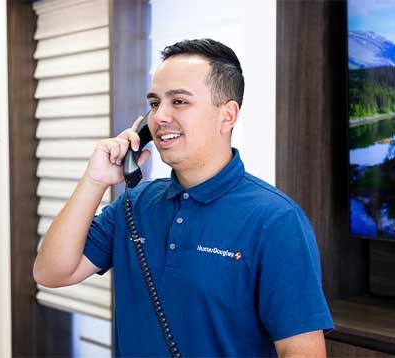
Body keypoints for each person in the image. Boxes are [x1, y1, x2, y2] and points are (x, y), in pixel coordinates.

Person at [33, 38, 334, 357]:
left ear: (227, 115)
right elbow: (51, 272)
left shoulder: (276, 221)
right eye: (153, 103)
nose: (160, 116)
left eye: (179, 102)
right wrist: (95, 181)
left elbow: (301, 350)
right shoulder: (134, 205)